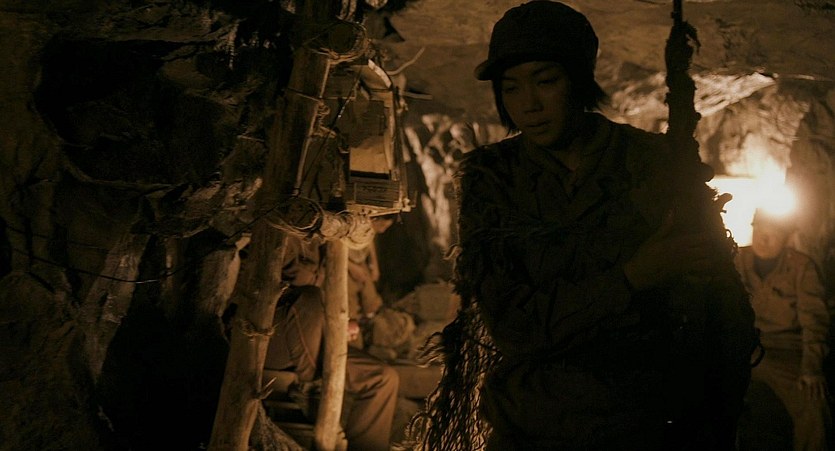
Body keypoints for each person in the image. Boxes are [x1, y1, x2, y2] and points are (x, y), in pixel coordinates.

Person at [410, 2, 758, 450]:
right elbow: (514, 326)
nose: (529, 105)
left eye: (546, 81)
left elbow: (717, 312)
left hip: (641, 426)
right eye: (511, 88)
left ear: (578, 79)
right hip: (531, 425)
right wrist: (635, 276)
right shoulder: (493, 178)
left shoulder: (650, 163)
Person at [264, 234, 400, 451]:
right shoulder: (284, 231)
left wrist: (337, 324)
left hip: (313, 337)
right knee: (308, 298)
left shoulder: (326, 239)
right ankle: (311, 390)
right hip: (274, 336)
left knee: (383, 378)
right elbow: (290, 281)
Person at [735, 208, 832, 450]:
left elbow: (814, 321)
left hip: (784, 350)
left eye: (773, 234)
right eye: (759, 231)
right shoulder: (736, 260)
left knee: (813, 402)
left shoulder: (801, 267)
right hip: (741, 346)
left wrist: (811, 369)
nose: (764, 239)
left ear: (787, 238)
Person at [347, 215, 396, 349]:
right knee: (349, 304)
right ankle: (353, 341)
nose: (382, 230)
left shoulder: (368, 229)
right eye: (382, 226)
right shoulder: (351, 224)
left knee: (371, 301)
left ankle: (370, 330)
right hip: (344, 266)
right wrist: (352, 267)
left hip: (359, 263)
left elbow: (370, 242)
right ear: (375, 220)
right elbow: (334, 249)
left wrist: (374, 264)